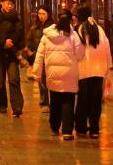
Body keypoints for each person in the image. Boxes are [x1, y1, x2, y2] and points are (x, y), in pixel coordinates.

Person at [33, 10, 84, 140]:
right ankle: (67, 131)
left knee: (55, 100)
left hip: (52, 73)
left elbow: (39, 55)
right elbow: (80, 54)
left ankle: (54, 127)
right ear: (71, 20)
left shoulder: (47, 35)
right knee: (68, 101)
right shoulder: (74, 36)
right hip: (70, 74)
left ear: (57, 18)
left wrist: (36, 72)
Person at [75, 4, 112, 138]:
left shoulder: (79, 29)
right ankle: (94, 128)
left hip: (84, 69)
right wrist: (108, 66)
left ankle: (81, 127)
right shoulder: (99, 28)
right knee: (96, 100)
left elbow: (78, 50)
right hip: (99, 70)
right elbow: (107, 47)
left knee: (83, 99)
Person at [24, 5, 53, 110]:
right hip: (38, 56)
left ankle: (50, 102)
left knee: (50, 80)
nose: (41, 16)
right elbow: (29, 40)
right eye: (39, 14)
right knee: (41, 80)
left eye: (43, 14)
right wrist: (30, 53)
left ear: (48, 14)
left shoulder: (52, 27)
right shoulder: (34, 27)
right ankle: (44, 102)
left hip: (49, 56)